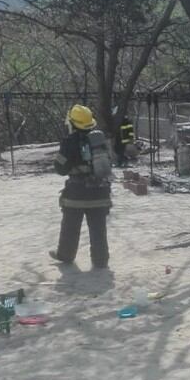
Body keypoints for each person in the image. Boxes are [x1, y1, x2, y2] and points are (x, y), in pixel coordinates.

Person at [49, 104, 112, 269]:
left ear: (73, 123)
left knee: (70, 227)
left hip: (76, 195)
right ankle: (101, 260)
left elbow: (60, 169)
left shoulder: (69, 142)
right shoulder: (101, 140)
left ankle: (65, 255)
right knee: (98, 230)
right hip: (100, 193)